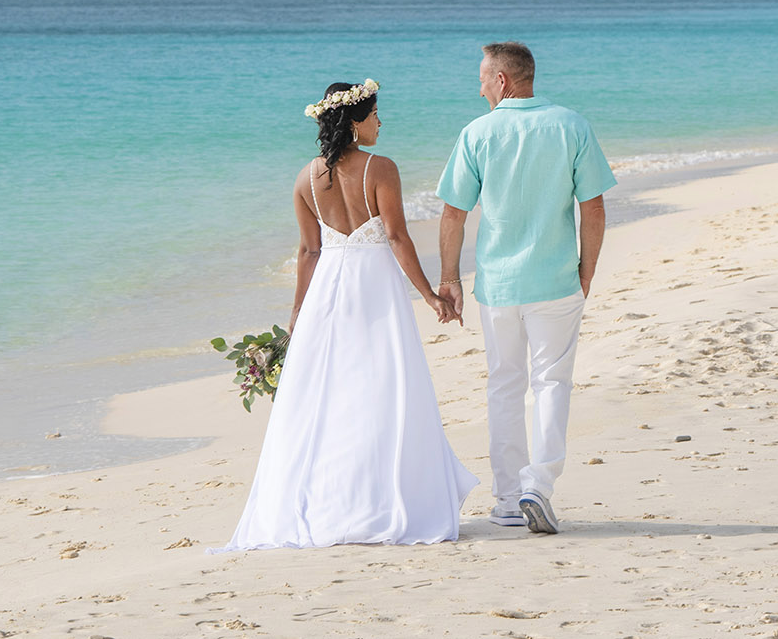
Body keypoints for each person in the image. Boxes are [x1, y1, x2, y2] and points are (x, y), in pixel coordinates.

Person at [216, 79, 477, 551]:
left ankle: (331, 503)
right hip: (374, 288)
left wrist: (296, 315)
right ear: (356, 121)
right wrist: (429, 296)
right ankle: (384, 500)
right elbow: (397, 237)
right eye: (376, 114)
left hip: (326, 296)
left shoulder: (304, 179)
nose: (381, 122)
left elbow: (308, 251)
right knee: (384, 388)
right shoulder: (382, 168)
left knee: (330, 396)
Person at [436, 42, 616, 535]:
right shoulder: (571, 125)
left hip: (498, 284)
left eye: (481, 78)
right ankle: (540, 483)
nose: (479, 87)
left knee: (505, 385)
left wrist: (449, 278)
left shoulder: (477, 132)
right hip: (556, 277)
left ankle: (510, 499)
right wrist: (587, 269)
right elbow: (594, 208)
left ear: (502, 81)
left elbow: (454, 213)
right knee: (552, 382)